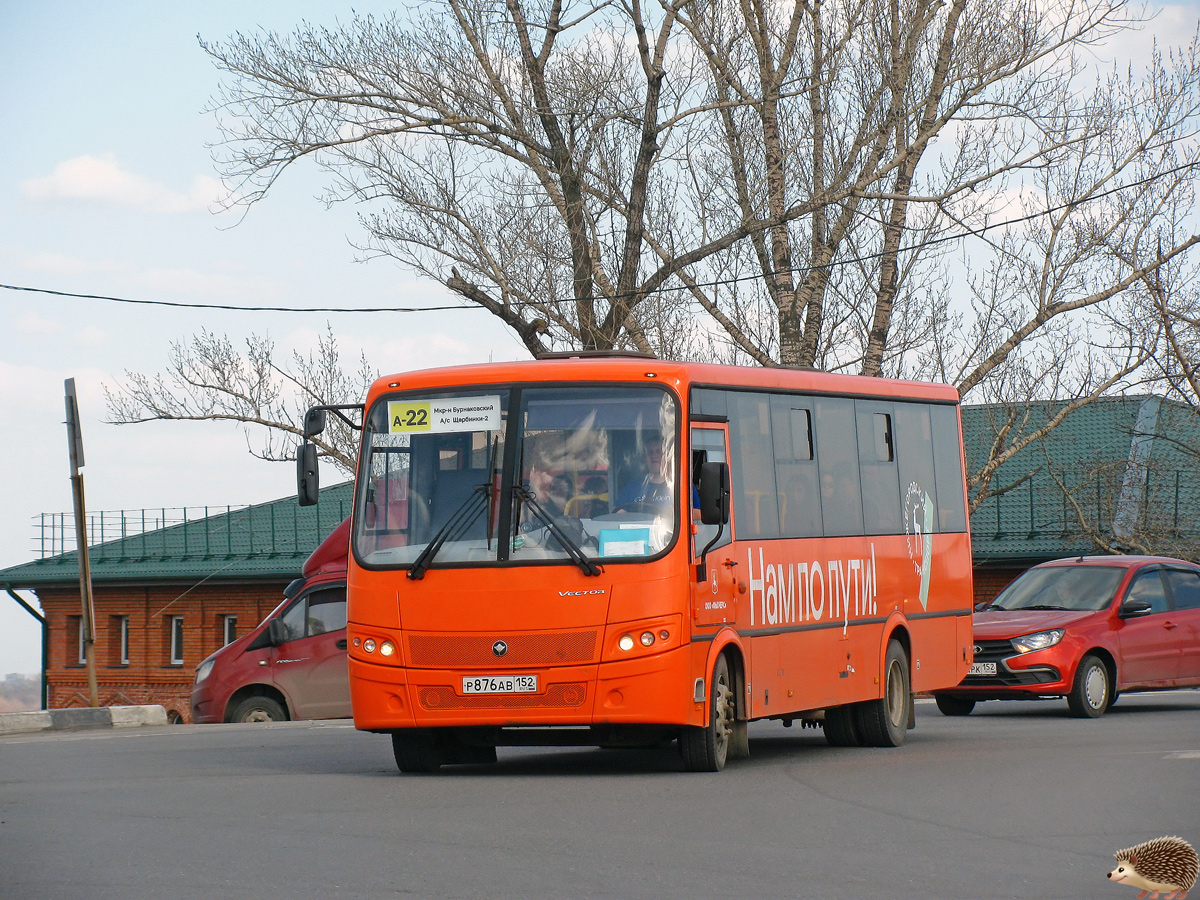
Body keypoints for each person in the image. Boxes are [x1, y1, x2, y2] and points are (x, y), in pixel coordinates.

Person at [616, 435, 672, 511]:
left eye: (658, 451)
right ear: (645, 457)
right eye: (650, 452)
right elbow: (618, 514)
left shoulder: (681, 486)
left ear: (667, 456)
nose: (654, 455)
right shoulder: (632, 487)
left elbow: (693, 513)